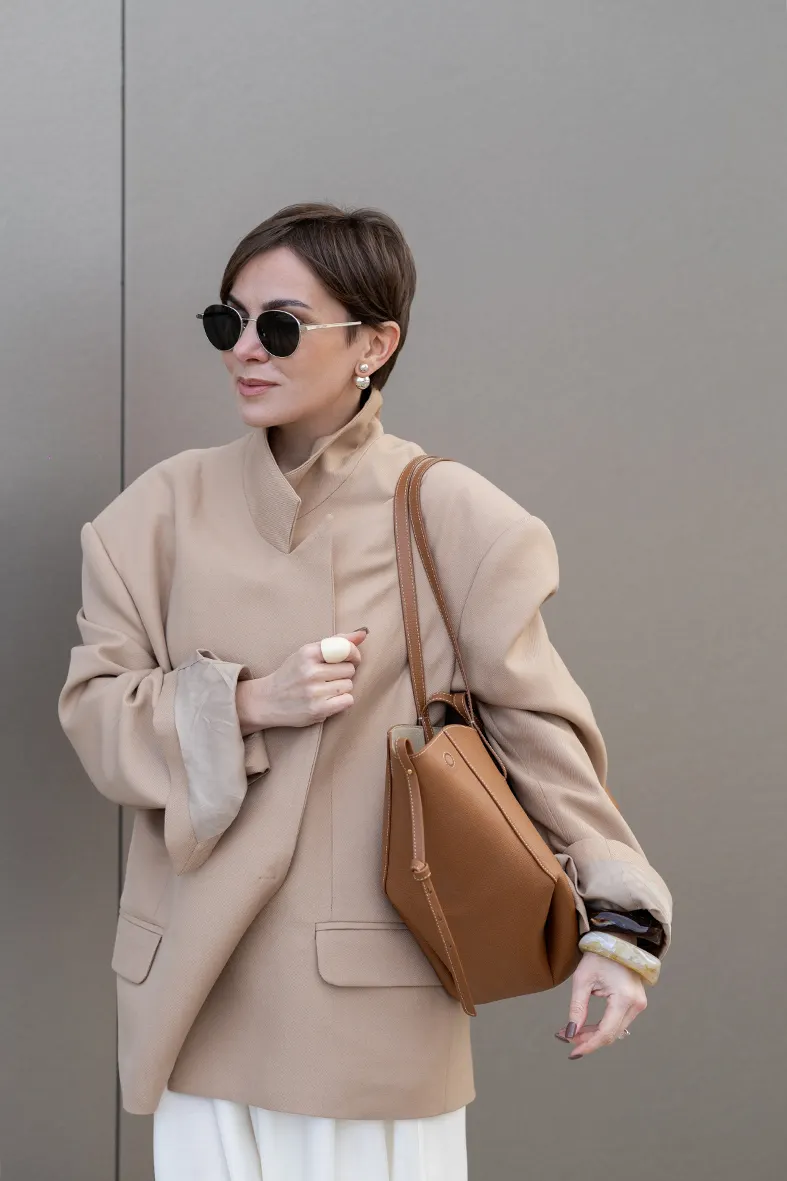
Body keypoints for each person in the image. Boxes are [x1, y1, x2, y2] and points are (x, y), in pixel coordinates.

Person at [58, 202, 673, 1181]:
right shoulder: (153, 516)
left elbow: (539, 734)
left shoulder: (448, 515)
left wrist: (619, 923)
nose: (244, 349)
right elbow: (95, 714)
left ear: (374, 344)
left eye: (280, 325)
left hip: (365, 1002)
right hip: (193, 989)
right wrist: (247, 702)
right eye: (227, 320)